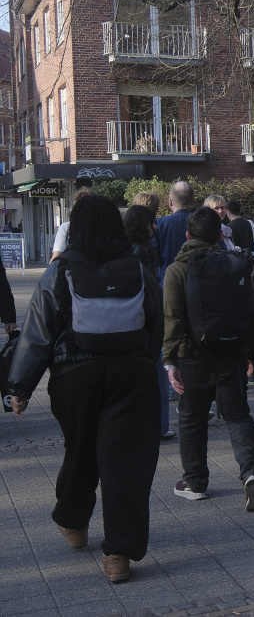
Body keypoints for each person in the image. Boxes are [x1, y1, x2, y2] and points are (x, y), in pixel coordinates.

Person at [6, 196, 163, 583]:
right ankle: (118, 554)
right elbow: (156, 322)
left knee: (81, 450)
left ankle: (74, 521)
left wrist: (19, 386)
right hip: (132, 375)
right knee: (125, 462)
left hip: (75, 378)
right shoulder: (137, 267)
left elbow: (38, 332)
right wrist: (145, 361)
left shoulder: (60, 270)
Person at [162, 207, 254, 511]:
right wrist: (250, 353)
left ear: (188, 235)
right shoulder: (236, 266)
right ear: (220, 236)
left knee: (191, 420)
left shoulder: (177, 270)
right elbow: (252, 313)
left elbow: (173, 319)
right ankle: (251, 474)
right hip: (230, 354)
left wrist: (169, 361)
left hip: (191, 356)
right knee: (237, 416)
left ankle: (195, 483)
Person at [124, 205, 174, 441]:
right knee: (157, 371)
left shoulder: (129, 249)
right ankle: (160, 425)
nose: (155, 227)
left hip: (135, 322)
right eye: (152, 223)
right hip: (145, 321)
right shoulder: (140, 252)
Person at [157, 181, 195, 283]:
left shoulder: (159, 224)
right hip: (197, 282)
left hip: (166, 282)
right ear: (193, 201)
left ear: (170, 201)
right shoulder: (203, 222)